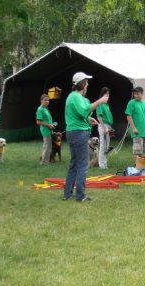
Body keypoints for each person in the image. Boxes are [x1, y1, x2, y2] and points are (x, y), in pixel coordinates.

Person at [64, 72, 109, 202]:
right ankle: (81, 196)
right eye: (86, 82)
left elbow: (78, 114)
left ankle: (67, 194)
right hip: (79, 133)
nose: (88, 84)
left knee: (74, 164)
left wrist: (88, 119)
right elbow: (85, 109)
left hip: (72, 132)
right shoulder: (76, 97)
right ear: (82, 84)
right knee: (83, 165)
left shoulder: (72, 97)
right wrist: (100, 101)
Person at [125, 86, 145, 163]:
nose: (136, 95)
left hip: (144, 131)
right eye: (134, 94)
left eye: (137, 94)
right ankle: (137, 166)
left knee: (143, 151)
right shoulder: (131, 103)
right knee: (137, 151)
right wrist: (134, 128)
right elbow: (128, 116)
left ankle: (141, 166)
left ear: (142, 94)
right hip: (136, 131)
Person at [96, 87, 113, 169]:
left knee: (106, 146)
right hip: (104, 125)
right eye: (106, 94)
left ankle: (105, 164)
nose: (107, 96)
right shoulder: (100, 104)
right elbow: (99, 116)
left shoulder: (106, 105)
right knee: (103, 146)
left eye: (108, 94)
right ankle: (101, 165)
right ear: (102, 95)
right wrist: (103, 128)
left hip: (108, 126)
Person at [36, 94, 55, 164]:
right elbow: (38, 122)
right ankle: (44, 162)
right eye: (45, 100)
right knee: (48, 146)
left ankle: (43, 160)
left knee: (46, 146)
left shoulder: (45, 109)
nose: (47, 101)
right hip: (45, 130)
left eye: (48, 100)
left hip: (49, 129)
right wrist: (48, 125)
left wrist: (51, 125)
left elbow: (47, 120)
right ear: (41, 101)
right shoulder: (40, 109)